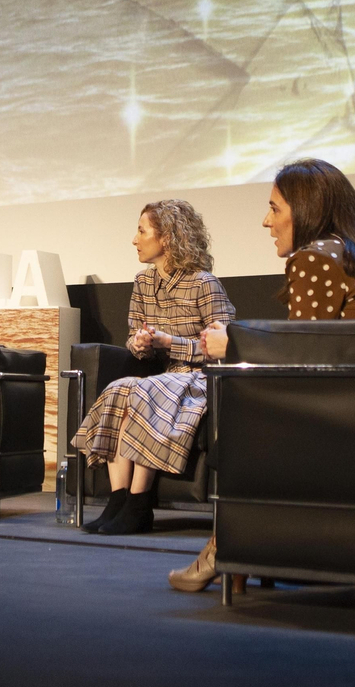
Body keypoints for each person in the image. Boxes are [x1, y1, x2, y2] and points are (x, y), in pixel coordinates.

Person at [170, 158, 355, 591]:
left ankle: (229, 550)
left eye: (274, 208)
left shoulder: (314, 257)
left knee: (246, 419)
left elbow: (297, 362)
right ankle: (243, 551)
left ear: (305, 210)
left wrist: (232, 346)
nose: (265, 221)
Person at [71, 200, 234, 536]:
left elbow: (228, 346)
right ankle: (118, 500)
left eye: (142, 231)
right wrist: (141, 343)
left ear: (168, 238)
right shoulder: (144, 282)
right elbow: (134, 336)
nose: (135, 239)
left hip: (200, 378)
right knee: (118, 389)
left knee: (146, 391)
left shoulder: (204, 283)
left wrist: (167, 342)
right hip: (163, 375)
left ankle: (139, 503)